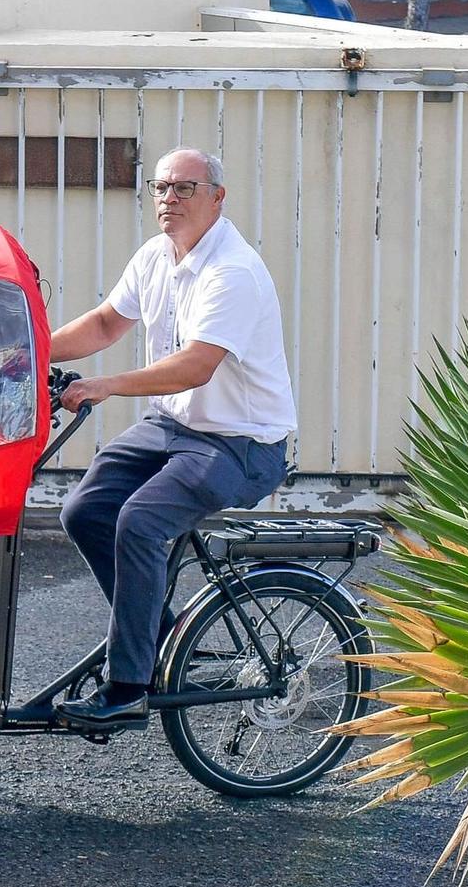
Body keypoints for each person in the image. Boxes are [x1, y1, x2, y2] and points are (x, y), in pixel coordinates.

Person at [47, 147, 297, 733]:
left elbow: (195, 367)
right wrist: (28, 351)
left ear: (217, 196)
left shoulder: (231, 271)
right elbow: (107, 323)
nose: (169, 199)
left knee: (140, 520)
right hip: (174, 428)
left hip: (239, 442)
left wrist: (105, 385)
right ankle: (155, 636)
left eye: (185, 188)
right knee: (84, 510)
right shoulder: (156, 256)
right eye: (161, 188)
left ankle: (127, 686)